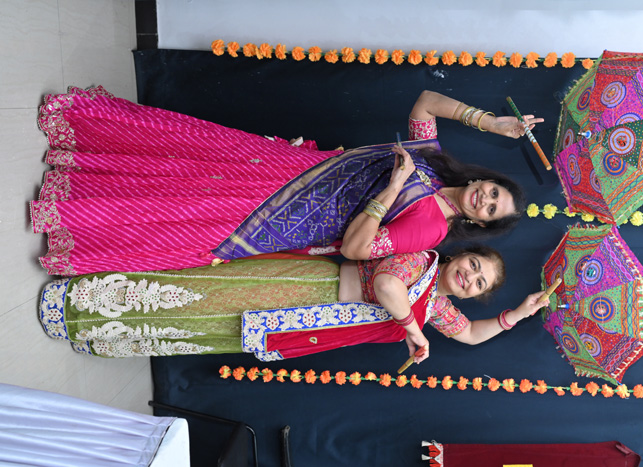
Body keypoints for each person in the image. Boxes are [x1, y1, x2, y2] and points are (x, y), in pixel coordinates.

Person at [30, 87, 542, 276]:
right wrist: (491, 123)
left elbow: (358, 250)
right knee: (194, 162)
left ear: (479, 223)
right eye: (494, 191)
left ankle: (76, 213)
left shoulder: (431, 229)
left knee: (190, 213)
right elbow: (426, 102)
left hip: (286, 219)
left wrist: (391, 188)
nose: (486, 198)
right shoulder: (433, 159)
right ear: (486, 179)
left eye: (490, 209)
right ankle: (84, 156)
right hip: (286, 168)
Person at [39, 247, 548, 361]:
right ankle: (77, 301)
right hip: (304, 288)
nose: (470, 277)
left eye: (478, 283)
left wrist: (519, 314)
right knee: (203, 294)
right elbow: (389, 287)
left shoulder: (438, 306)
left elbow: (472, 334)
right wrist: (414, 333)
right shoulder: (422, 260)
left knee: (211, 330)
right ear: (461, 255)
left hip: (304, 327)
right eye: (474, 265)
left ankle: (94, 330)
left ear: (473, 294)